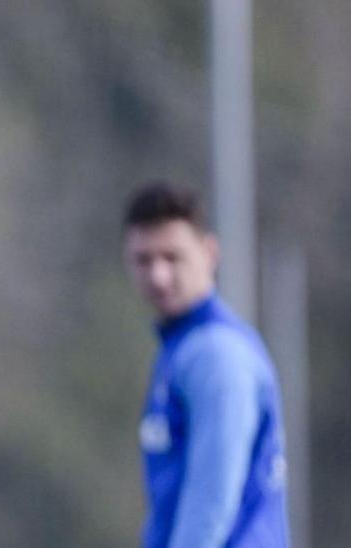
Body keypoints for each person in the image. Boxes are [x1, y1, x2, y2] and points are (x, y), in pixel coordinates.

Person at [122, 181, 289, 548]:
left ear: (209, 253)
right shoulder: (180, 350)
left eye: (172, 257)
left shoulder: (216, 356)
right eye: (143, 260)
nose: (158, 276)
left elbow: (211, 504)